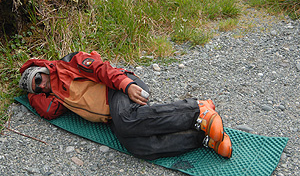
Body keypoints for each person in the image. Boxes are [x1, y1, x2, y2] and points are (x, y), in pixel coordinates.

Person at [18, 51, 232, 159]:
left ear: (42, 69)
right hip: (112, 114)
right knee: (138, 147)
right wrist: (32, 95)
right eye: (35, 89)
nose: (40, 87)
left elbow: (102, 69)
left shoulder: (68, 64)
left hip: (118, 89)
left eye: (38, 80)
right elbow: (47, 112)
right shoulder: (54, 97)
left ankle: (197, 110)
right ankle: (203, 138)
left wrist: (125, 84)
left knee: (128, 121)